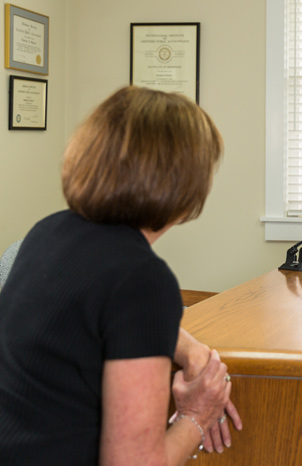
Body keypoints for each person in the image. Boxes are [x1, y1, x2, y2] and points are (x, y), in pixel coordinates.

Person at [0, 86, 242, 465]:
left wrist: (190, 349)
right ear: (184, 182)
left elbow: (103, 315)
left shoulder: (47, 233)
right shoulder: (142, 277)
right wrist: (198, 415)